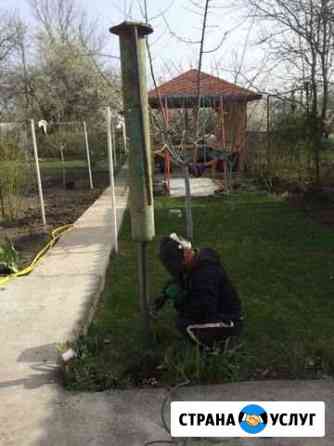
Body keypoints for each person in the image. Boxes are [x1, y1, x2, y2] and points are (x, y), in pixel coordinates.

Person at [152, 233, 243, 349]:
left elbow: (203, 310)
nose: (178, 269)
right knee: (184, 319)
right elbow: (180, 279)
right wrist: (164, 296)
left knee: (185, 325)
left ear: (185, 254)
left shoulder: (206, 275)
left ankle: (218, 349)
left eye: (178, 264)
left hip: (229, 320)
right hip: (216, 310)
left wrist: (181, 302)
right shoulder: (193, 263)